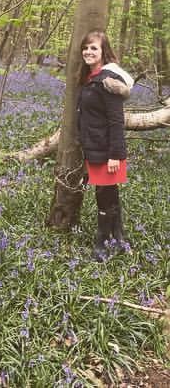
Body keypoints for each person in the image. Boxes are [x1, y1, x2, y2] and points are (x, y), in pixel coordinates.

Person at [76, 30, 133, 261]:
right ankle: (118, 238)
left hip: (107, 151)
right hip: (94, 148)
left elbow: (116, 120)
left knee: (104, 195)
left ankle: (102, 243)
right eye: (86, 47)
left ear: (103, 52)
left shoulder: (108, 80)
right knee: (110, 193)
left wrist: (115, 156)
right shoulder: (90, 78)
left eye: (94, 48)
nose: (88, 52)